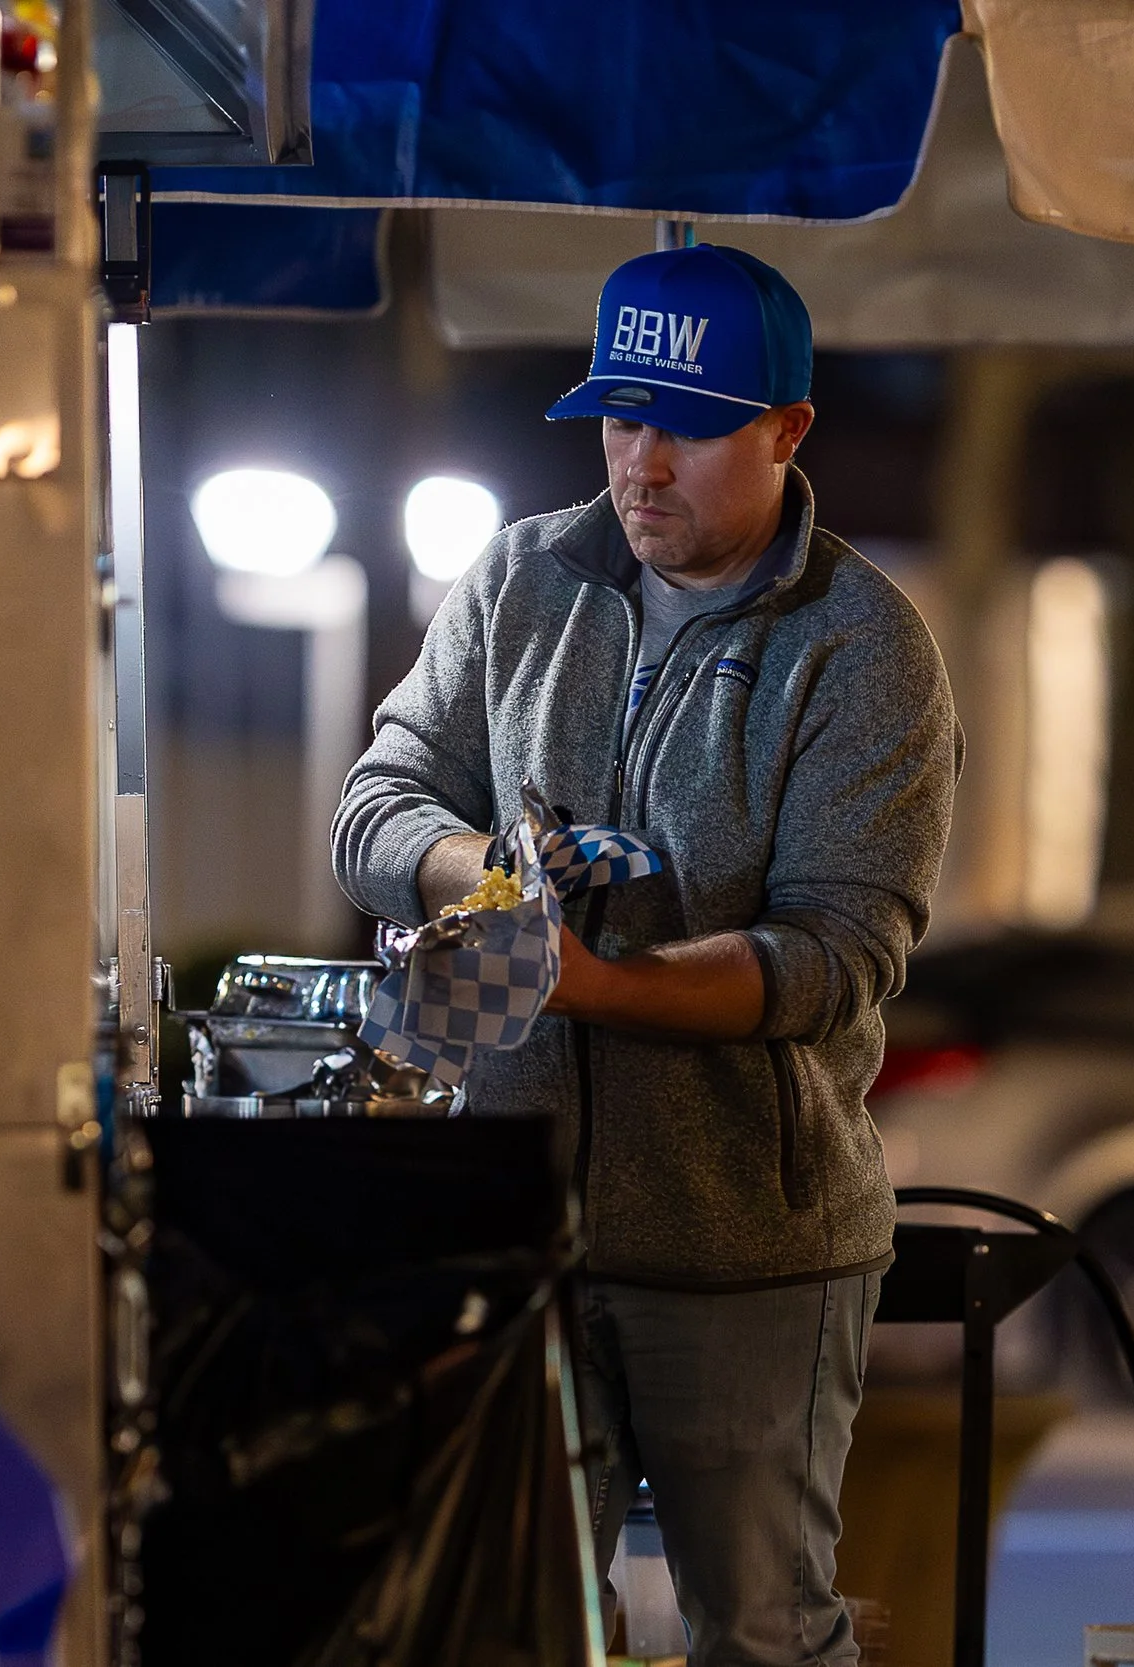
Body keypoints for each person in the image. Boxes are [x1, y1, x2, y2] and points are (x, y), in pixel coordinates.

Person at [332, 244, 960, 1667]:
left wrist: (585, 977)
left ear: (789, 429)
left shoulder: (865, 651)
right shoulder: (522, 575)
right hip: (520, 1227)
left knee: (766, 1631)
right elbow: (373, 803)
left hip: (752, 1248)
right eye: (621, 416)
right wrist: (484, 876)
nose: (643, 460)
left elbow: (836, 955)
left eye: (688, 423)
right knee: (525, 1619)